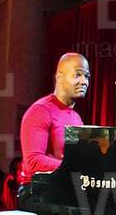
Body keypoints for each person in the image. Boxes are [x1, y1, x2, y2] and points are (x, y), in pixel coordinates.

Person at [18, 52, 91, 186]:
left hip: (63, 187)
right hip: (38, 190)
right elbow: (33, 162)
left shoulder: (76, 118)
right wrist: (74, 169)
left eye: (87, 76)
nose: (84, 81)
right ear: (59, 77)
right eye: (77, 75)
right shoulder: (41, 111)